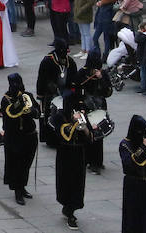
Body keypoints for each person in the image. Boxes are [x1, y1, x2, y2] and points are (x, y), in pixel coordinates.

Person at [51, 89, 91, 230]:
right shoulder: (59, 117)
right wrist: (75, 122)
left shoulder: (81, 115)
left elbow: (90, 136)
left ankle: (72, 210)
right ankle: (67, 207)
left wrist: (85, 126)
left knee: (78, 182)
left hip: (79, 153)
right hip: (65, 153)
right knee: (66, 182)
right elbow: (65, 134)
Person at [119, 115, 146, 233]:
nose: (142, 134)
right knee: (132, 217)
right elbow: (129, 164)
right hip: (133, 184)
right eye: (139, 131)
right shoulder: (125, 144)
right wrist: (143, 148)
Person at [1, 73, 39, 204]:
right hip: (15, 137)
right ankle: (17, 190)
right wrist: (18, 105)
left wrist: (33, 111)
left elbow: (37, 112)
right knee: (16, 164)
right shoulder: (6, 99)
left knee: (26, 163)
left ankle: (22, 186)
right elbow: (9, 118)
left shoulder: (27, 95)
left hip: (30, 135)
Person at [37, 39, 78, 146]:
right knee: (49, 111)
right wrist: (41, 94)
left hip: (65, 90)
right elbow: (42, 79)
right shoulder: (47, 62)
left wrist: (72, 91)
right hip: (51, 91)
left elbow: (74, 81)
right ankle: (51, 138)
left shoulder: (71, 63)